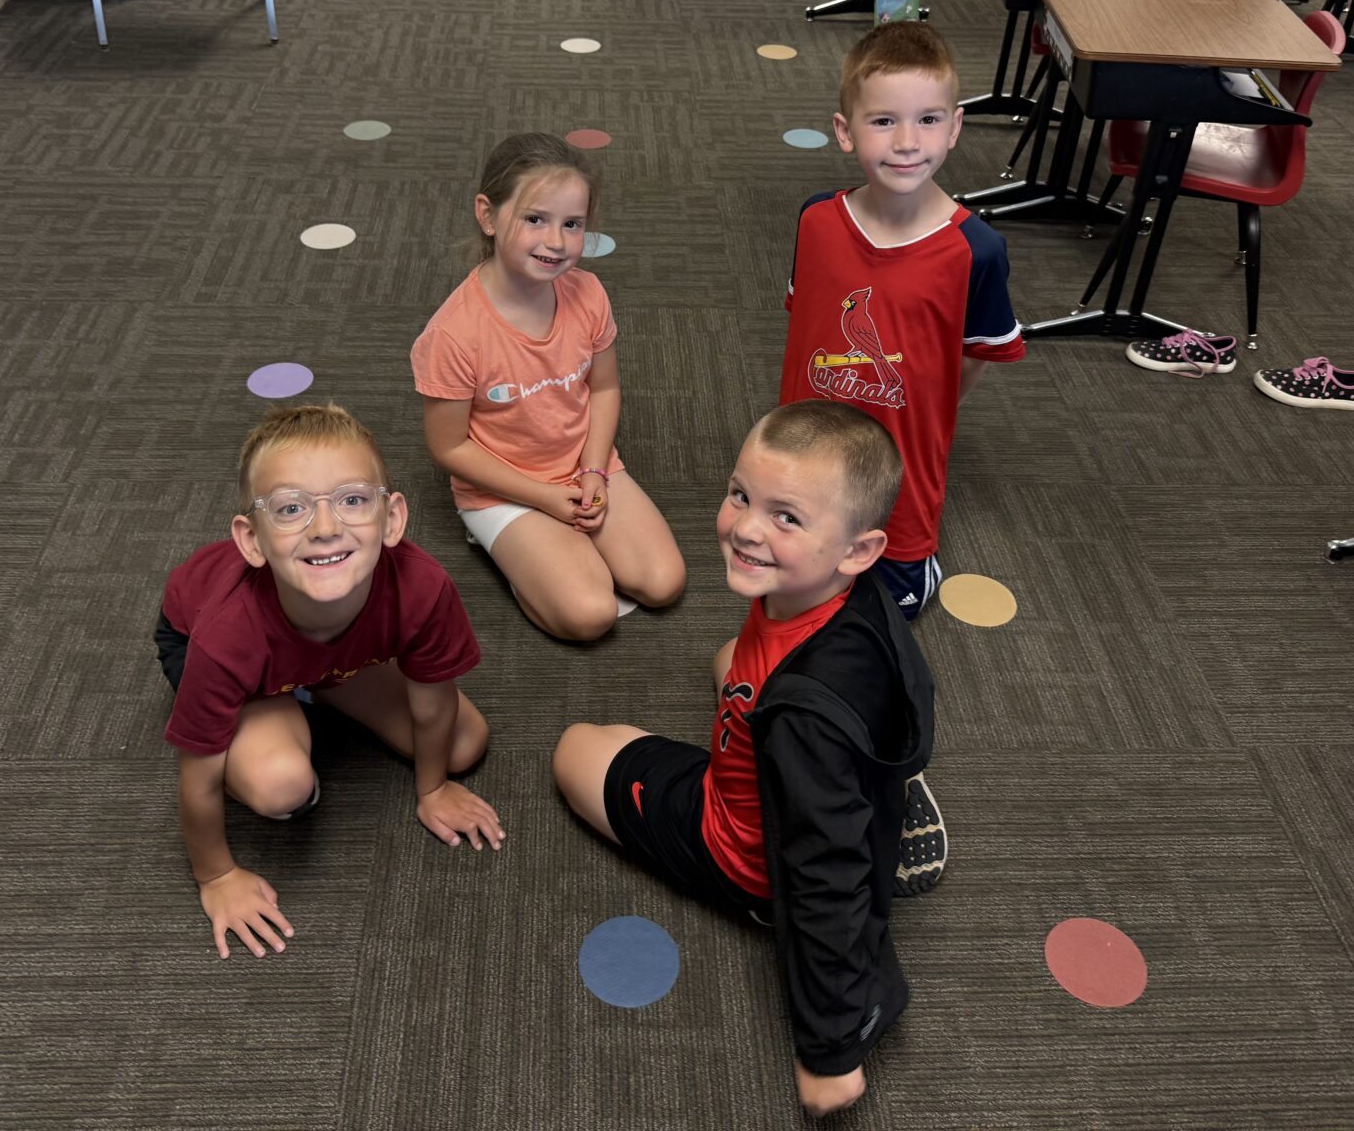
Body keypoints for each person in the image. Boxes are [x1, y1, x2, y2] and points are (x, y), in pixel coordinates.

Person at [552, 402, 939, 1120]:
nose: (746, 529)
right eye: (740, 496)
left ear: (858, 549)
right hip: (808, 727)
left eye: (786, 517)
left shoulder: (804, 720)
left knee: (576, 748)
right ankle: (876, 788)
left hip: (742, 848)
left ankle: (808, 835)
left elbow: (825, 880)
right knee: (729, 659)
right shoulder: (845, 594)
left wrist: (831, 1053)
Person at [155, 402, 503, 961]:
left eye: (352, 500)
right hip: (212, 647)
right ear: (251, 540)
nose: (324, 528)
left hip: (329, 653)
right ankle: (294, 701)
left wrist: (432, 788)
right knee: (282, 786)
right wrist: (215, 875)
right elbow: (197, 775)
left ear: (392, 520)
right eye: (291, 508)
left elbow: (434, 702)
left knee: (464, 743)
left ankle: (316, 685)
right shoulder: (225, 633)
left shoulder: (424, 587)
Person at [781, 21, 1025, 620]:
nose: (908, 142)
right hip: (806, 456)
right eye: (884, 121)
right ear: (845, 131)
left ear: (956, 126)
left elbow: (972, 357)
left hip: (902, 481)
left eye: (929, 119)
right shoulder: (816, 222)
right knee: (790, 589)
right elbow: (807, 327)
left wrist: (923, 401)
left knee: (887, 616)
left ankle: (919, 558)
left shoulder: (977, 250)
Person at [412, 132, 686, 642]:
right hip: (502, 490)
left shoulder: (588, 292)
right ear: (488, 215)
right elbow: (447, 445)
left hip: (584, 466)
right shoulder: (453, 334)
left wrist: (595, 469)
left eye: (572, 224)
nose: (556, 242)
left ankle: (555, 553)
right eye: (535, 219)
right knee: (589, 615)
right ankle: (522, 566)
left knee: (663, 583)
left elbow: (603, 390)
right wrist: (542, 497)